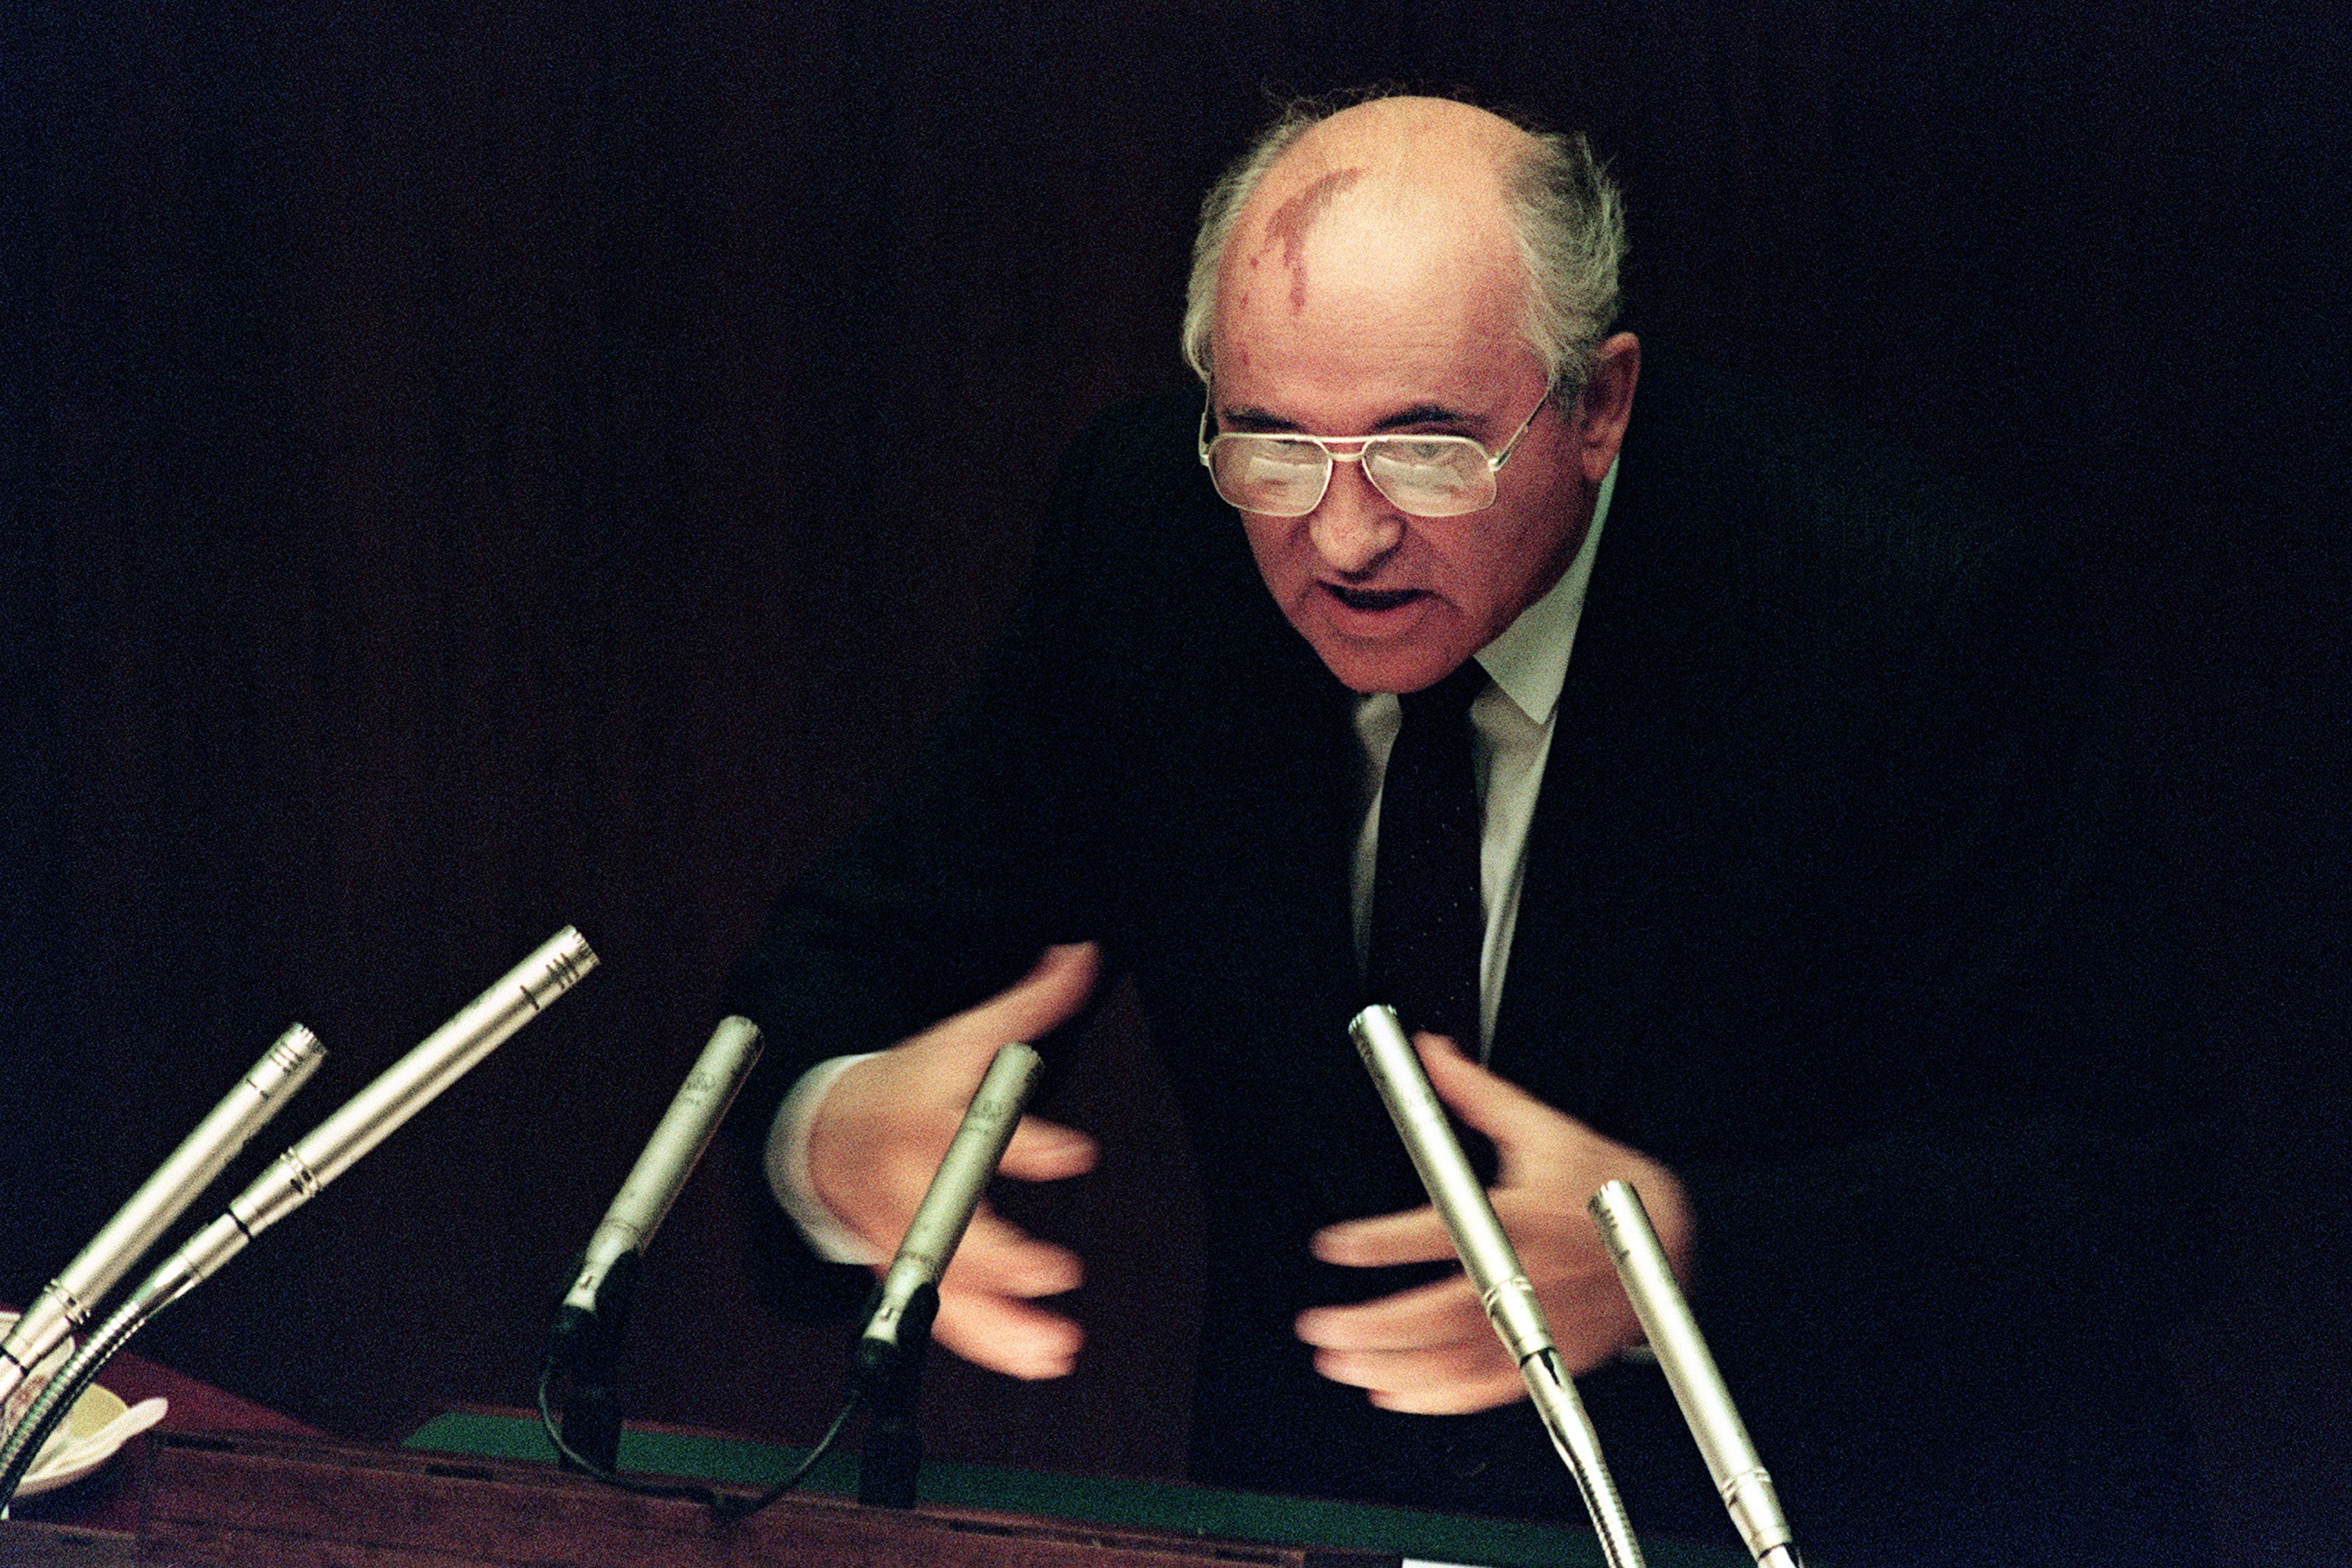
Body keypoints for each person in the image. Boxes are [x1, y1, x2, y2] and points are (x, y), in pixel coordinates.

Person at [727, 94, 2212, 1564]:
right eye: (1271, 443)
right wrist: (828, 1130)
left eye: (1427, 449)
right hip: (1332, 1513)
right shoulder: (1153, 541)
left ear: (1599, 406)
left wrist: (1673, 1255)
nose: (1345, 534)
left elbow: (2138, 1192)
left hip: (1835, 1512)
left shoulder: (1903, 613)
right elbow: (861, 950)